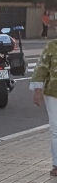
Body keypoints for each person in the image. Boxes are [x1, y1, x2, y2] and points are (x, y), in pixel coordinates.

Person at [33, 37, 57, 175]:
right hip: (53, 93)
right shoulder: (51, 46)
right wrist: (37, 91)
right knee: (55, 128)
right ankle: (56, 164)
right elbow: (41, 68)